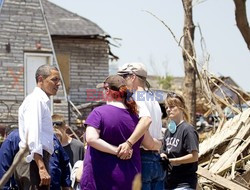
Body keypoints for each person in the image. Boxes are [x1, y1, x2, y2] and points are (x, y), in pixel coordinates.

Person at [80, 75, 159, 190]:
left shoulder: (98, 113)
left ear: (107, 90)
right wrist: (161, 144)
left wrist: (117, 151)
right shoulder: (136, 117)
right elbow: (149, 144)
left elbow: (91, 139)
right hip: (129, 181)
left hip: (99, 181)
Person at [117, 62, 165, 189]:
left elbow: (145, 124)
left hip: (142, 158)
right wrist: (158, 145)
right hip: (156, 159)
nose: (120, 81)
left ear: (133, 77)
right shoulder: (153, 99)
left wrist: (130, 143)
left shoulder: (135, 97)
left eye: (123, 76)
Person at [16, 64, 61, 189]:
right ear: (40, 79)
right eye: (54, 79)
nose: (58, 84)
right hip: (33, 161)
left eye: (59, 80)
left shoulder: (40, 101)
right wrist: (41, 167)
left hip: (35, 160)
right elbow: (33, 136)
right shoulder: (35, 100)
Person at [0, 129, 72, 190]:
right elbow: (3, 166)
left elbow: (64, 162)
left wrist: (66, 185)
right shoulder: (15, 137)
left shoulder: (50, 136)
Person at [161, 92, 199, 190]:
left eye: (172, 106)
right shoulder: (168, 131)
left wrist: (173, 161)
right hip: (169, 182)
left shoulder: (188, 129)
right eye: (167, 107)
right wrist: (163, 156)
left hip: (184, 183)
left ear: (181, 107)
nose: (169, 110)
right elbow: (165, 151)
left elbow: (194, 156)